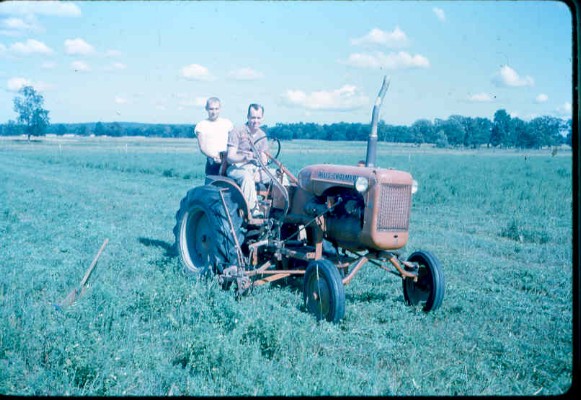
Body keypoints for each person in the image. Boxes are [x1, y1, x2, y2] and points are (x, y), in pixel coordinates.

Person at [226, 103, 270, 217]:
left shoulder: (262, 135)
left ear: (262, 118)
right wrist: (244, 157)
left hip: (256, 169)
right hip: (237, 167)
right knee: (247, 177)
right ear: (247, 117)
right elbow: (230, 157)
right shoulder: (237, 131)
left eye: (258, 118)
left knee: (279, 176)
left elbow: (264, 157)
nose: (255, 121)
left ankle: (280, 210)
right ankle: (253, 211)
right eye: (253, 117)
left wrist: (263, 159)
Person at [194, 97, 234, 176]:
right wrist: (215, 156)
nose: (214, 112)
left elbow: (233, 142)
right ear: (206, 109)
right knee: (212, 186)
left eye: (216, 109)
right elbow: (202, 147)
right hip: (212, 162)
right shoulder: (201, 125)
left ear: (220, 109)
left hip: (227, 161)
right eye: (211, 109)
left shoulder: (227, 124)